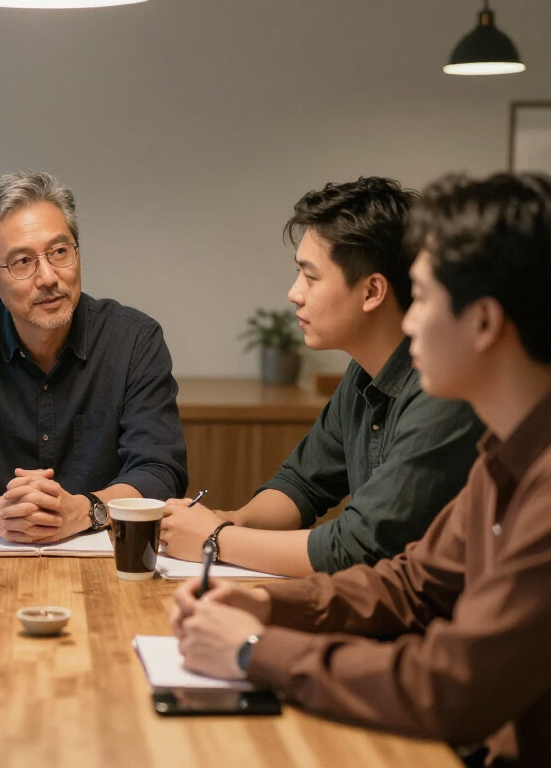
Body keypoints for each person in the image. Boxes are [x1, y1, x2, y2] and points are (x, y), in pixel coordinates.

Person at [170, 172, 551, 767]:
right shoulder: (502, 456)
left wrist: (254, 648)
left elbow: (454, 686)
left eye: (422, 297)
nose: (410, 320)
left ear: (482, 322)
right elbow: (412, 584)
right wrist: (267, 607)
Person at [160, 177, 484, 576]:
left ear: (372, 292)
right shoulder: (362, 371)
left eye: (310, 277)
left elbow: (361, 546)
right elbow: (302, 483)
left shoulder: (442, 390)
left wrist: (215, 540)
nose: (294, 293)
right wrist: (232, 521)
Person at [0, 170, 188, 543]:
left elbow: (160, 470)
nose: (48, 277)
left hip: (108, 555)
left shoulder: (134, 341)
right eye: (22, 261)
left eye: (59, 252)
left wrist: (83, 510)